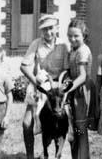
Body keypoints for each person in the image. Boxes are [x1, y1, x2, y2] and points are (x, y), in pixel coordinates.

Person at [20, 14, 69, 159]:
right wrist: (36, 82)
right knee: (27, 123)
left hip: (58, 90)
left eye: (51, 28)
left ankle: (62, 154)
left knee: (70, 121)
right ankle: (30, 156)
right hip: (40, 87)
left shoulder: (63, 46)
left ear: (57, 28)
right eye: (45, 29)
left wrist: (62, 86)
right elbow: (24, 66)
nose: (48, 33)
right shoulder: (36, 44)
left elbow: (66, 71)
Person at [65, 19, 93, 159]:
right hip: (73, 91)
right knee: (73, 128)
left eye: (76, 36)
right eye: (70, 36)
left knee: (81, 129)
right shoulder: (73, 50)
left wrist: (68, 89)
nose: (72, 39)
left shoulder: (83, 51)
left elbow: (82, 76)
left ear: (84, 35)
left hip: (81, 92)